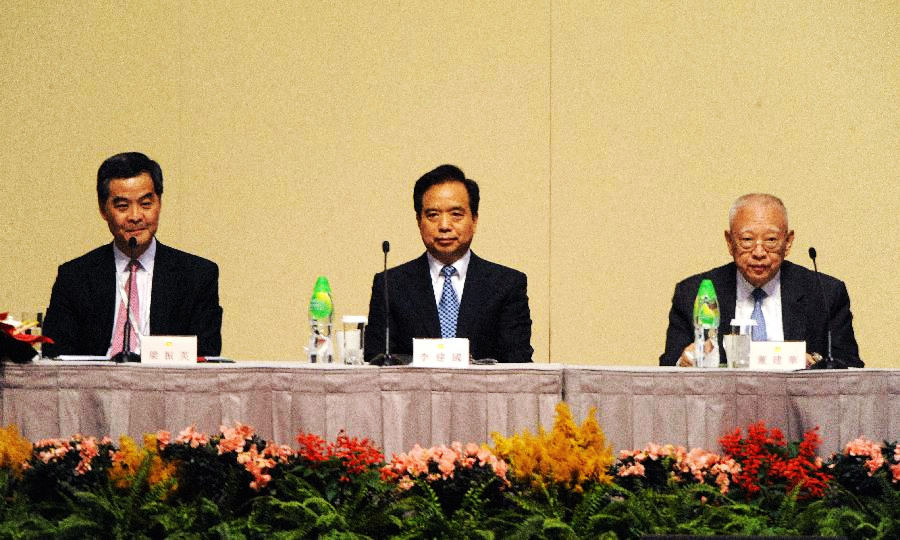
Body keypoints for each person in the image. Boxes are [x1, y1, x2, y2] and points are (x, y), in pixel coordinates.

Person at [42, 152, 223, 358]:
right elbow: (55, 356)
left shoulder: (197, 276)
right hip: (93, 388)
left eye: (146, 204)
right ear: (103, 209)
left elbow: (207, 356)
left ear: (159, 204)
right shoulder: (75, 277)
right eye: (122, 206)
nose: (135, 217)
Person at [660, 193, 862, 368]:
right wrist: (684, 361)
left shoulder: (824, 293)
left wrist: (816, 363)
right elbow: (667, 368)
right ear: (730, 243)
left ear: (788, 242)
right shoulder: (692, 292)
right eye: (747, 240)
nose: (759, 252)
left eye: (771, 240)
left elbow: (850, 368)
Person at [364, 164, 533, 363]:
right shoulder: (390, 284)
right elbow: (376, 362)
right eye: (433, 215)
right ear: (419, 221)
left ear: (474, 220)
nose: (444, 226)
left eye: (456, 214)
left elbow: (519, 366)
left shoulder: (507, 285)